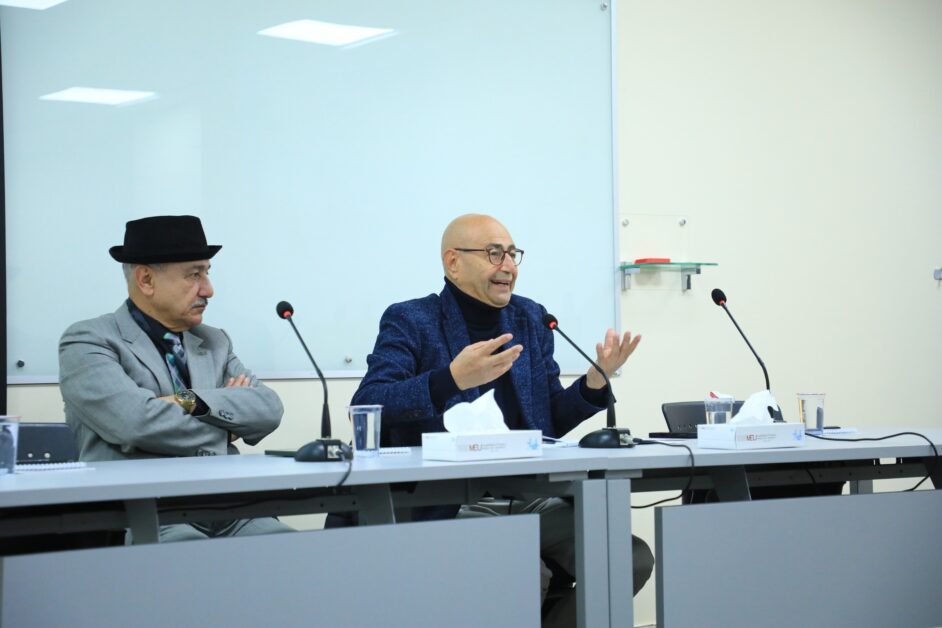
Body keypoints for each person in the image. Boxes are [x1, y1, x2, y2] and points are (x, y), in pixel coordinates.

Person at [351, 213, 654, 625]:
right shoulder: (412, 319)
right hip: (450, 502)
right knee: (523, 570)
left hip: (530, 495)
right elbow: (370, 400)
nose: (508, 266)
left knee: (627, 557)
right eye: (495, 253)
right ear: (453, 262)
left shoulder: (530, 318)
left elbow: (547, 420)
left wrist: (593, 384)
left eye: (513, 254)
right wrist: (450, 379)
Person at [59, 215, 291, 541]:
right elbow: (135, 423)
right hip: (144, 510)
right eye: (194, 275)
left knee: (293, 551)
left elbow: (267, 409)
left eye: (207, 273)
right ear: (146, 280)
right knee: (190, 557)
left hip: (228, 507)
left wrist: (188, 401)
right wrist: (226, 427)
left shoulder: (214, 340)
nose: (208, 289)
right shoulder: (88, 340)